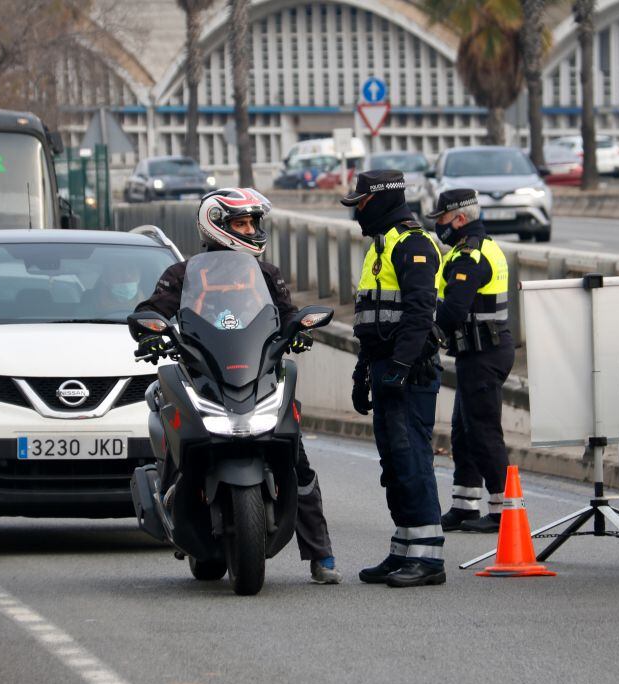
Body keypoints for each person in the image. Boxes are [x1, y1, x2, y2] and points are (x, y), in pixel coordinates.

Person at [134, 187, 340, 584]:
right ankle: (173, 499)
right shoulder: (182, 274)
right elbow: (152, 308)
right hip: (206, 377)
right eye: (242, 223)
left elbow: (287, 314)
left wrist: (297, 329)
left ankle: (321, 555)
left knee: (296, 460)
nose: (250, 230)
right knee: (179, 432)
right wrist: (149, 330)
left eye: (252, 223)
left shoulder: (266, 274)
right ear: (216, 226)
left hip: (258, 374)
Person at [343, 169, 446, 588]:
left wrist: (401, 367)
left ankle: (428, 558)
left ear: (382, 200)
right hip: (386, 369)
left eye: (361, 204)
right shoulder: (379, 248)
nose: (357, 213)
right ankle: (404, 547)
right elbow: (372, 320)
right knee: (393, 463)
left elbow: (421, 313)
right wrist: (362, 373)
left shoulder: (414, 245)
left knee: (412, 460)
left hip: (411, 372)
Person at [430, 189, 515, 534]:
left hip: (483, 353)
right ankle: (465, 505)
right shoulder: (478, 247)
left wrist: (427, 330)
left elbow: (453, 309)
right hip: (477, 352)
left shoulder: (470, 255)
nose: (439, 226)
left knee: (483, 433)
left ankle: (503, 510)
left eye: (442, 220)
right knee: (463, 433)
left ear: (460, 218)